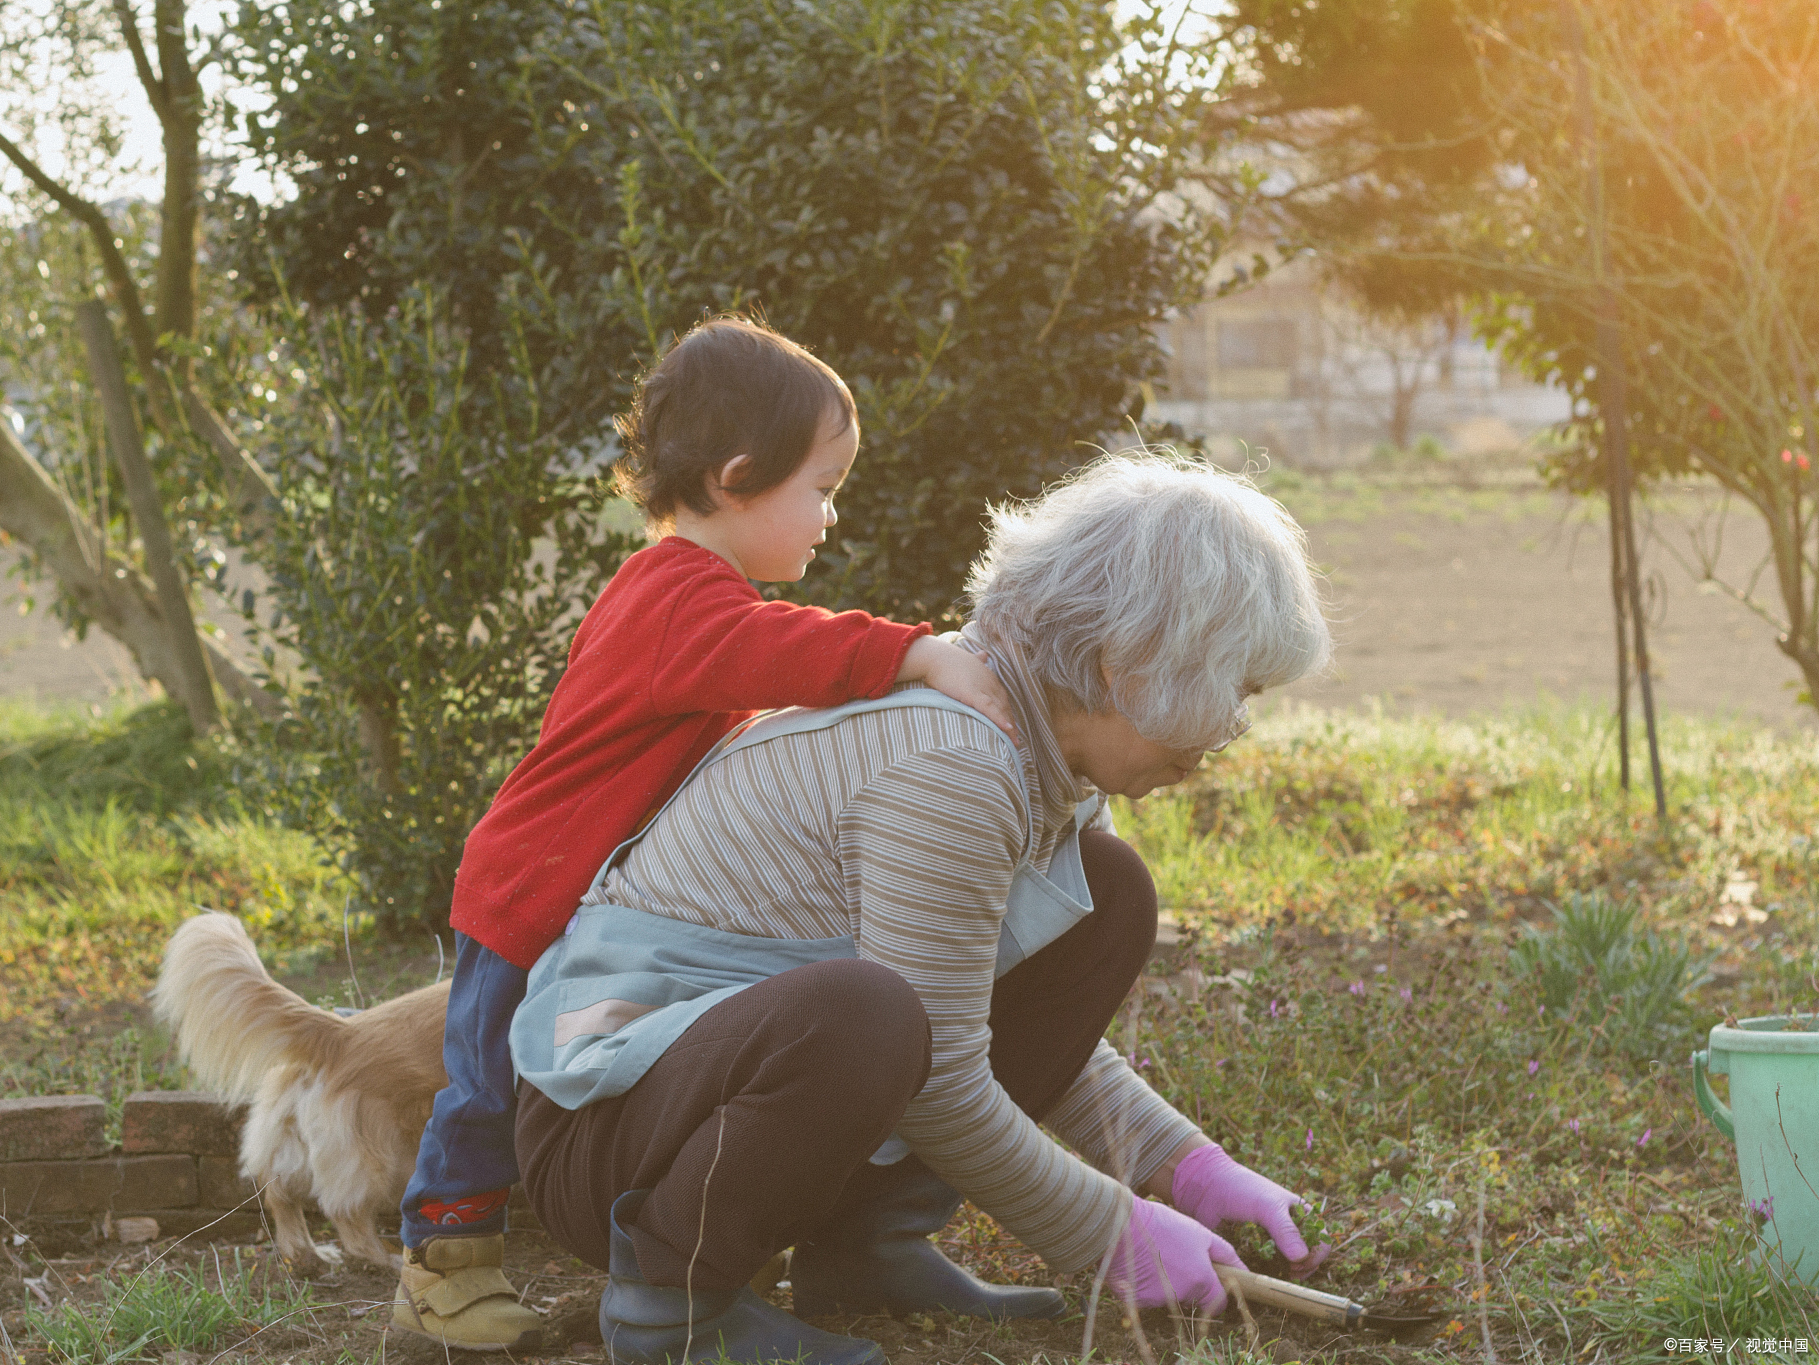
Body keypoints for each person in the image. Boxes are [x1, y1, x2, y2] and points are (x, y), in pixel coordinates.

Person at [508, 454, 1337, 1365]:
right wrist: (1115, 1233)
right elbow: (939, 1073)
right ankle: (672, 1303)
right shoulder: (952, 764)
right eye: (1238, 687)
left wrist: (1185, 1166)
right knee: (867, 1015)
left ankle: (867, 1251)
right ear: (1126, 663)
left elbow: (988, 1014)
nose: (1232, 728)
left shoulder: (1042, 756)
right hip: (610, 1138)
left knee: (1108, 892)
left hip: (719, 1098)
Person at [394, 317, 1019, 1350]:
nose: (830, 516)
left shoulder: (692, 594)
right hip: (530, 889)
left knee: (560, 1065)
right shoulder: (677, 595)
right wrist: (914, 655)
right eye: (820, 488)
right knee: (490, 1087)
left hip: (596, 895)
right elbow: (770, 651)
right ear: (736, 478)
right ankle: (440, 1268)